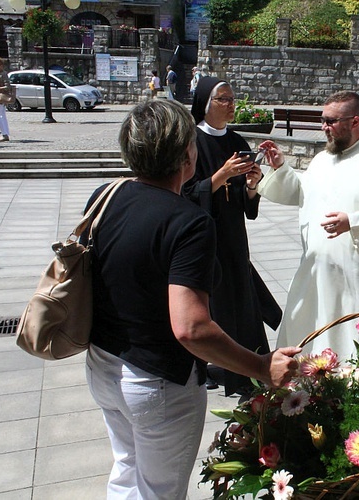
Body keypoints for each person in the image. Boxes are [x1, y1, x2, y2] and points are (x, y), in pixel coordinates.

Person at [84, 99, 300, 499]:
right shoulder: (188, 221)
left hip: (103, 365)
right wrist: (260, 365)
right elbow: (191, 327)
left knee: (127, 471)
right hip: (156, 380)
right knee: (159, 491)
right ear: (187, 154)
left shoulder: (106, 195)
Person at [257, 91, 359, 359]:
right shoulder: (322, 159)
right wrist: (281, 169)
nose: (324, 127)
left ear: (355, 122)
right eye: (323, 120)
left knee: (357, 350)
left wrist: (352, 222)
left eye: (331, 121)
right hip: (318, 274)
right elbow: (304, 194)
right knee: (315, 343)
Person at [183, 77, 282, 395]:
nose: (230, 104)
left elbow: (245, 204)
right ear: (205, 104)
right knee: (213, 305)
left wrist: (253, 185)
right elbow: (187, 193)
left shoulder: (237, 140)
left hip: (235, 237)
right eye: (223, 99)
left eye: (231, 98)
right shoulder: (192, 142)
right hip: (205, 238)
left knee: (242, 302)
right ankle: (212, 364)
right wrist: (221, 175)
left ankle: (249, 367)